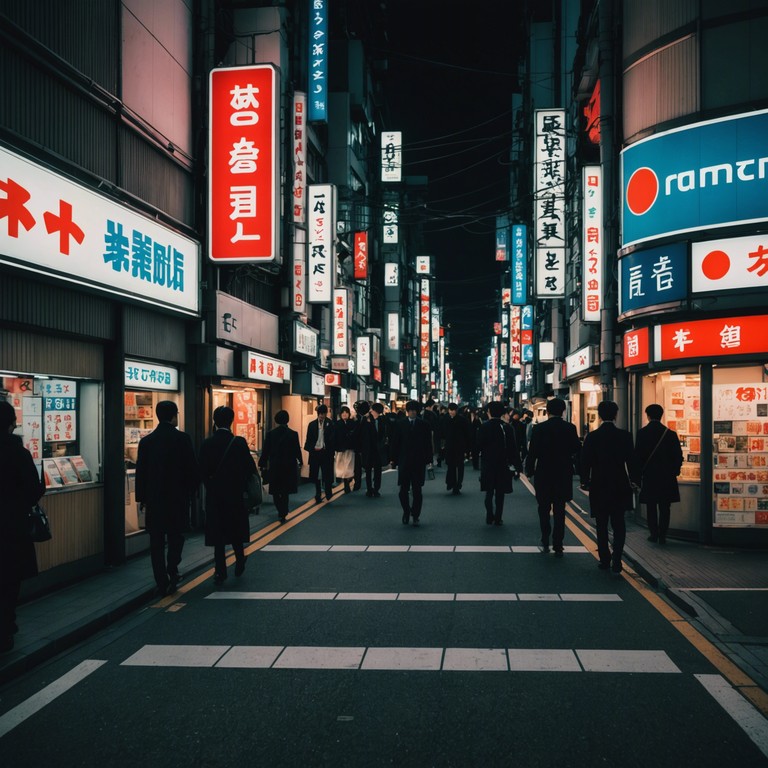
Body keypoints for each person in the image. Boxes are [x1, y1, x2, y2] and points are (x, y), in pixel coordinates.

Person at [135, 400, 198, 596]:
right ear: (173, 416)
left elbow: (141, 472)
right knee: (176, 536)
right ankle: (172, 568)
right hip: (177, 498)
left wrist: (142, 498)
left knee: (156, 541)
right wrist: (191, 491)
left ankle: (161, 580)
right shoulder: (183, 439)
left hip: (154, 500)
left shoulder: (146, 442)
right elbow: (192, 469)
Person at [0, 400, 46, 652]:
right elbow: (35, 488)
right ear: (11, 423)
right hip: (12, 527)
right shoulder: (18, 452)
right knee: (9, 580)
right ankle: (6, 628)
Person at [199, 406, 257, 584]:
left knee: (218, 534)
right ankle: (240, 558)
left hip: (215, 496)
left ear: (214, 421)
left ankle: (220, 571)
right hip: (235, 495)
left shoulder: (207, 443)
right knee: (236, 529)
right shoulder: (238, 442)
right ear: (231, 421)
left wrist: (211, 486)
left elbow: (201, 471)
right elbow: (249, 469)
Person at [579, 400, 634, 574]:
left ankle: (604, 558)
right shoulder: (625, 436)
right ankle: (617, 559)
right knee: (619, 523)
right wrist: (635, 480)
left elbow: (584, 461)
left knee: (601, 524)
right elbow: (632, 461)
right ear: (615, 415)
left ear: (600, 415)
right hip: (619, 484)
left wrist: (584, 480)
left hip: (599, 484)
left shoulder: (593, 437)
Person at [525, 398, 582, 556]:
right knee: (560, 509)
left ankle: (545, 536)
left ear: (547, 411)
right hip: (563, 473)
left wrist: (529, 471)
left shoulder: (539, 428)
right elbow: (576, 448)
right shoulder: (570, 428)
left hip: (543, 473)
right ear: (563, 411)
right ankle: (558, 542)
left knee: (543, 507)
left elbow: (533, 453)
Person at [632, 403, 683, 544]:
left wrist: (637, 477)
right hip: (667, 477)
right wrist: (675, 471)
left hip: (650, 476)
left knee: (651, 506)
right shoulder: (670, 434)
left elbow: (638, 457)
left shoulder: (642, 433)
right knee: (665, 507)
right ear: (661, 415)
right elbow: (678, 456)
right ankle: (663, 535)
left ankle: (653, 533)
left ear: (647, 416)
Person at [389, 400, 433, 525]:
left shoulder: (424, 425)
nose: (413, 412)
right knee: (403, 490)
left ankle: (415, 513)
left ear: (417, 411)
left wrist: (429, 460)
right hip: (404, 461)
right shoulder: (400, 424)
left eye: (415, 410)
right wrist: (393, 458)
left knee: (417, 490)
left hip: (419, 462)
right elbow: (395, 442)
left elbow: (428, 444)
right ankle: (406, 511)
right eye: (411, 410)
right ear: (407, 411)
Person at [478, 401, 522, 525]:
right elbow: (513, 449)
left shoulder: (484, 427)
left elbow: (478, 445)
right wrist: (518, 467)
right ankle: (498, 518)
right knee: (500, 493)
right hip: (503, 465)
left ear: (489, 412)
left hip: (488, 464)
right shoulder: (507, 427)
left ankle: (489, 515)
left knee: (489, 492)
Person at [259, 410, 303, 523]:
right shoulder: (293, 434)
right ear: (287, 420)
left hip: (275, 466)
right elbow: (297, 450)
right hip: (289, 466)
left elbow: (265, 451)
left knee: (275, 490)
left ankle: (280, 510)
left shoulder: (271, 434)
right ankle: (284, 511)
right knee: (285, 491)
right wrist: (301, 462)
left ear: (276, 420)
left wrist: (262, 464)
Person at [304, 403, 336, 503]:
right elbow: (308, 439)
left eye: (324, 414)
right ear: (318, 414)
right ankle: (318, 493)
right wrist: (312, 448)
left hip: (326, 452)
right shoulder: (312, 424)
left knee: (327, 473)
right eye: (321, 414)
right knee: (316, 474)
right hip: (315, 452)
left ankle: (328, 490)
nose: (322, 416)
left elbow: (333, 438)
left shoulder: (330, 423)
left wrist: (331, 449)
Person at [443, 402, 471, 494]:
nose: (452, 412)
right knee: (451, 466)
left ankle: (457, 484)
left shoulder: (462, 420)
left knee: (459, 466)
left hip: (459, 447)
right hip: (450, 446)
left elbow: (467, 434)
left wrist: (467, 449)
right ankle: (452, 483)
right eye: (450, 410)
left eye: (453, 410)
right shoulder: (446, 419)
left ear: (456, 411)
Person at [360, 402, 387, 497]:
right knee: (368, 470)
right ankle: (369, 488)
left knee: (377, 470)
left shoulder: (382, 420)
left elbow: (383, 434)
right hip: (368, 449)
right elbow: (362, 433)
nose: (373, 413)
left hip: (378, 449)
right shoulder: (365, 419)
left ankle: (376, 488)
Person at [334, 405, 356, 493]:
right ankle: (342, 481)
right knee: (340, 465)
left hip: (350, 448)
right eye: (343, 412)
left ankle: (346, 484)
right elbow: (335, 436)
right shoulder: (337, 423)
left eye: (346, 412)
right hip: (340, 448)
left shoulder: (352, 423)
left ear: (349, 414)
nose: (344, 414)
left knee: (348, 466)